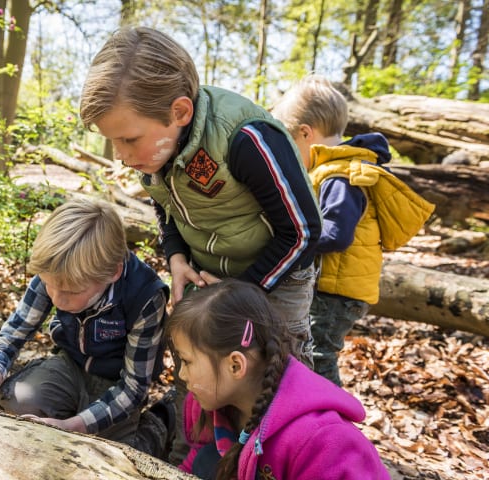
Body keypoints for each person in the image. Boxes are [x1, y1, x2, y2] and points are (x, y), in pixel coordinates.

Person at [79, 26, 322, 367]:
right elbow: (167, 207)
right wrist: (176, 257)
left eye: (129, 140)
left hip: (277, 275)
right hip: (207, 273)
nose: (120, 154)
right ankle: (192, 421)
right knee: (199, 364)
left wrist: (241, 293)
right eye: (114, 142)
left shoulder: (244, 139)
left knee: (275, 366)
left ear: (179, 112)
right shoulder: (154, 150)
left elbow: (303, 231)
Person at [0, 198, 173, 458]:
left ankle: (162, 418)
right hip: (72, 365)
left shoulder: (145, 296)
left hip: (117, 382)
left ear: (112, 273)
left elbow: (133, 387)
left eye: (71, 292)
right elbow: (13, 334)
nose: (57, 299)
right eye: (50, 286)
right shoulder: (56, 270)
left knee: (113, 456)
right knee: (19, 401)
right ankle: (67, 404)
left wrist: (73, 426)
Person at [270, 75, 435, 385]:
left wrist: (295, 236)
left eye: (289, 144)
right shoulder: (334, 168)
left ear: (306, 134)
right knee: (307, 350)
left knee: (319, 354)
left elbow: (337, 235)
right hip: (334, 285)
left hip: (338, 292)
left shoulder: (340, 176)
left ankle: (334, 422)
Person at [167, 278, 391, 480]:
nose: (181, 375)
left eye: (186, 362)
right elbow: (196, 465)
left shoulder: (321, 440)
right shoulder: (209, 404)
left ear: (235, 365)